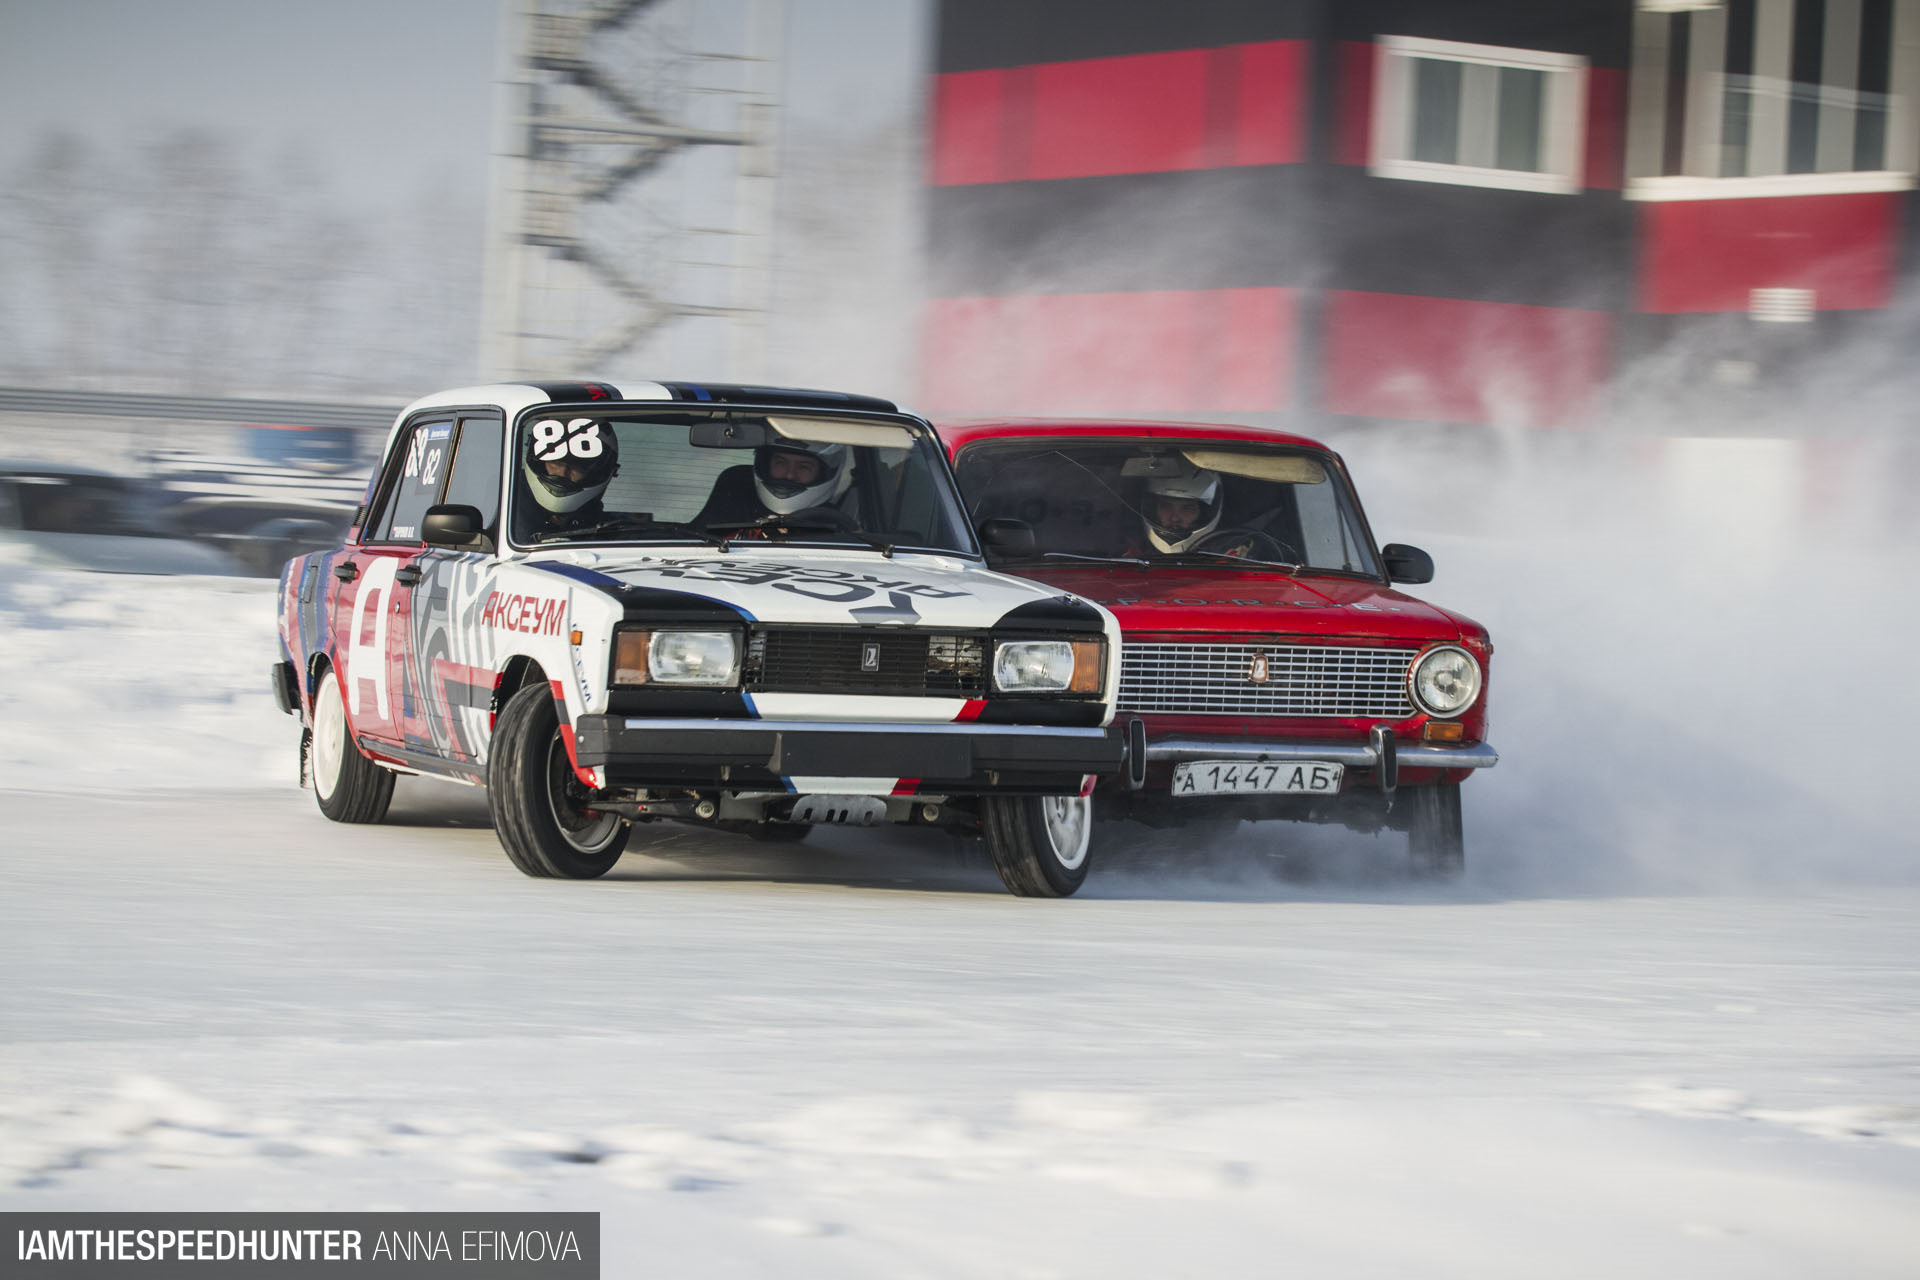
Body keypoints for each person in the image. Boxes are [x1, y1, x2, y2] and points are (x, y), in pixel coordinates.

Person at [692, 440, 852, 529]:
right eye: (781, 463)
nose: (790, 474)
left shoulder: (838, 528)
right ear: (766, 464)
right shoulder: (734, 499)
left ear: (824, 473)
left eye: (804, 467)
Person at [519, 417, 620, 539]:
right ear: (540, 463)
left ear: (595, 474)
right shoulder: (507, 509)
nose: (562, 473)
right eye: (554, 463)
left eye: (577, 468)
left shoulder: (611, 531)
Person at [1136, 467, 1223, 554]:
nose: (1174, 518)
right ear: (1154, 508)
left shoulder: (1227, 555)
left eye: (1187, 508)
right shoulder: (1131, 554)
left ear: (1204, 512)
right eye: (1166, 506)